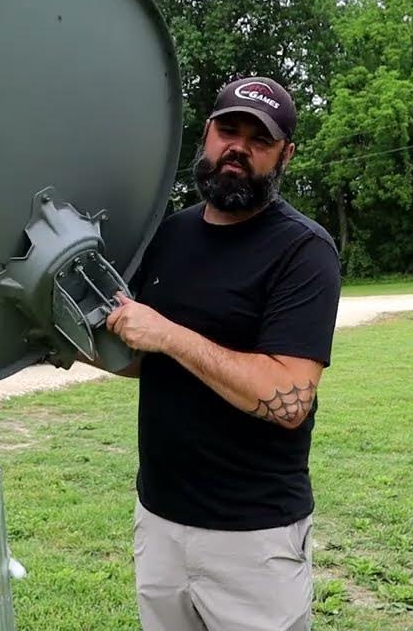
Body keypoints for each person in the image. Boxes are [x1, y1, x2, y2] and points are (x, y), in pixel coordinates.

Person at [103, 75, 342, 630]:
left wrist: (169, 333)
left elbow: (289, 400)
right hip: (159, 522)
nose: (238, 147)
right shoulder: (169, 235)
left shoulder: (303, 251)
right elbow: (148, 357)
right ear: (206, 135)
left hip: (252, 542)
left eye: (259, 139)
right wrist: (61, 348)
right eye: (227, 129)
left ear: (285, 154)